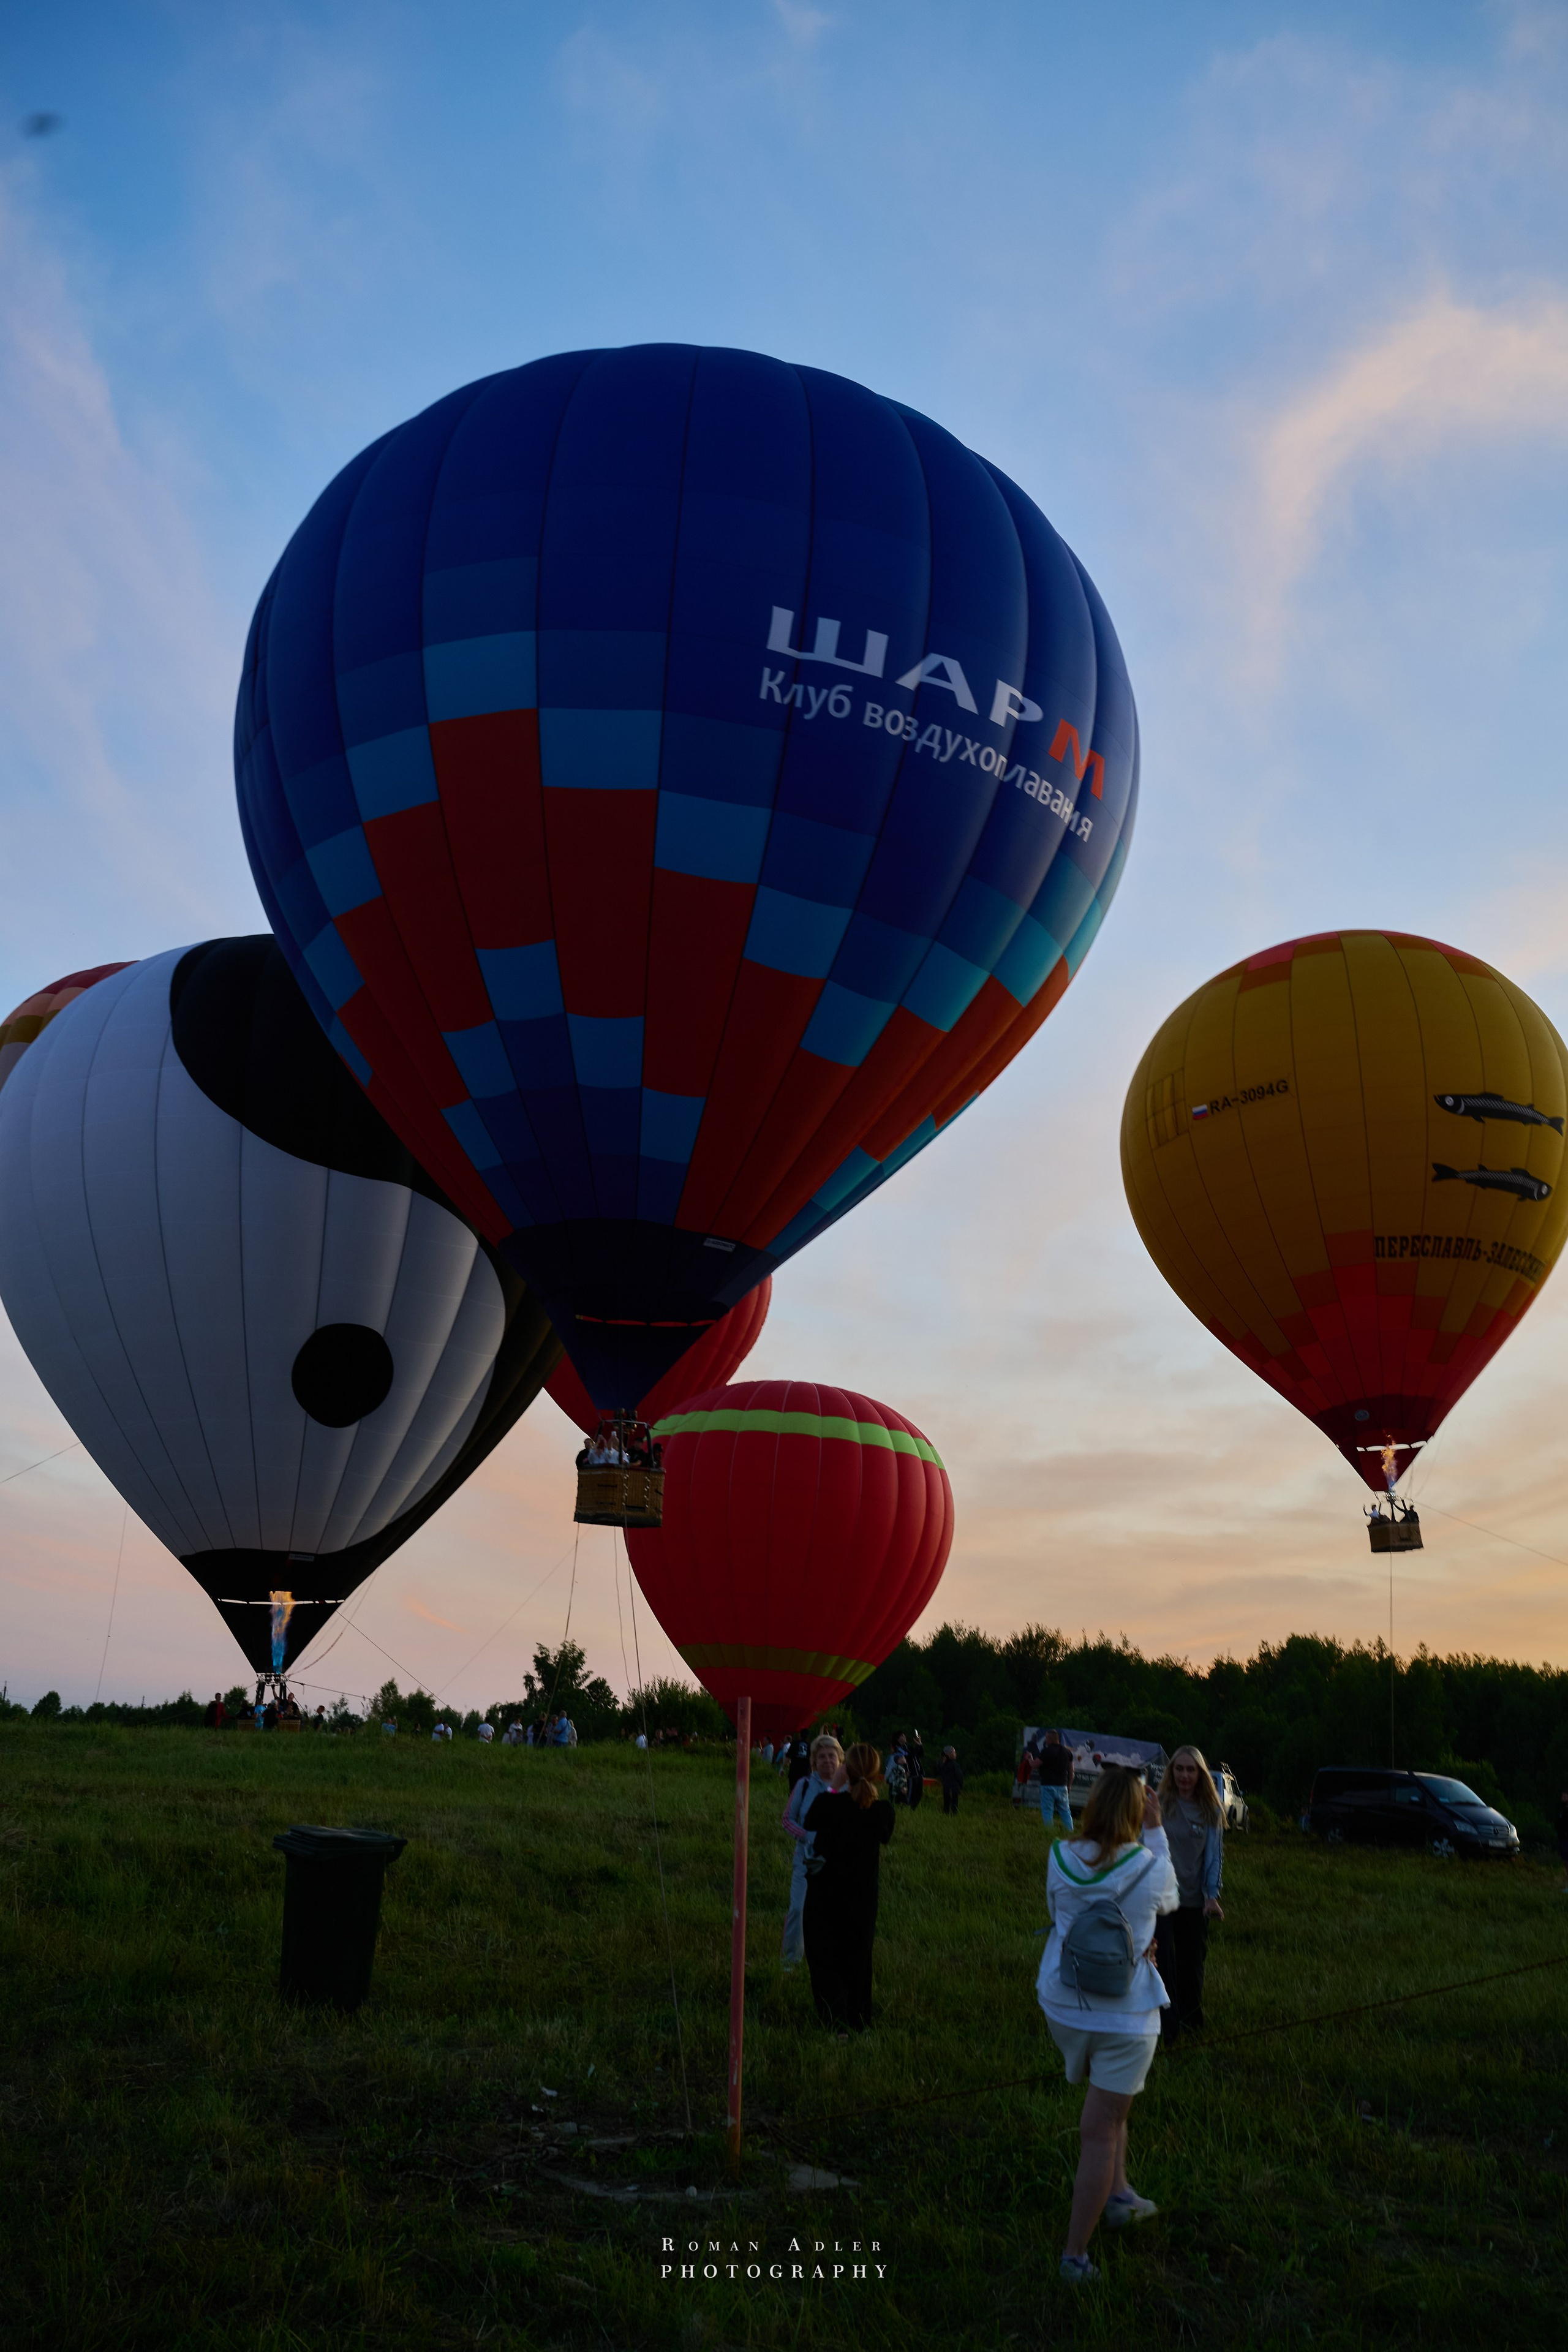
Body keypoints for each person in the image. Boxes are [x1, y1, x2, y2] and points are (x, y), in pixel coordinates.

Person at [1038, 1763, 1178, 2285]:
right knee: (1099, 2129)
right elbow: (1170, 1901)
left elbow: (1058, 1913)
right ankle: (1075, 2256)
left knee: (1112, 2110)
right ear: (1140, 1812)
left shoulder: (1058, 1855)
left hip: (1063, 2004)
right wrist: (1157, 1832)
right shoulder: (1149, 1863)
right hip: (1126, 2016)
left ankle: (1120, 2193)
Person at [802, 1743, 895, 2034]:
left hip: (825, 1897)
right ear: (877, 1773)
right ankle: (858, 2020)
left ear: (846, 1770)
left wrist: (834, 1787)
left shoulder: (831, 1805)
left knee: (824, 1957)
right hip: (863, 1900)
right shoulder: (882, 1812)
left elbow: (811, 1819)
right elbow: (883, 1833)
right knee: (858, 1959)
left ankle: (834, 2021)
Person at [1153, 1746, 1224, 2041]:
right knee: (1162, 1963)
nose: (1184, 1775)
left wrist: (1211, 1896)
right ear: (1171, 1773)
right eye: (1179, 1769)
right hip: (1160, 1900)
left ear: (1201, 1774)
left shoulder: (1210, 1810)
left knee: (1191, 1963)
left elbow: (1213, 1857)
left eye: (1191, 1770)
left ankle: (1191, 2023)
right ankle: (1165, 2026)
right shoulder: (1159, 1804)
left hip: (1194, 1901)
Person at [781, 1735, 845, 1970]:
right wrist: (809, 1836)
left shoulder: (851, 1787)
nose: (827, 1761)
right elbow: (787, 1819)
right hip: (806, 1861)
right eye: (822, 1757)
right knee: (798, 1909)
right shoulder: (804, 1785)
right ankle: (790, 1962)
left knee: (834, 1914)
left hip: (838, 1863)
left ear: (840, 1759)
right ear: (814, 1762)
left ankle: (831, 1961)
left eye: (832, 1756)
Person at [1038, 1729, 1075, 1833]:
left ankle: (1049, 1832)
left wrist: (1029, 1759)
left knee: (1047, 1811)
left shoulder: (1046, 1751)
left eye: (1046, 1738)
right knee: (1065, 1811)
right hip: (1062, 1786)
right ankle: (1070, 1832)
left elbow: (1035, 1765)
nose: (1046, 1740)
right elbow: (1072, 1772)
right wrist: (1069, 1785)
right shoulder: (1068, 1752)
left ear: (1050, 1739)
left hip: (1047, 1786)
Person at [940, 1745, 963, 1814]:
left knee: (946, 1805)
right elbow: (959, 1776)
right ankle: (953, 1817)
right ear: (949, 1755)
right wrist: (960, 1786)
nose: (955, 1754)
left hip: (946, 1788)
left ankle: (946, 1816)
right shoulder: (955, 1765)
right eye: (954, 1753)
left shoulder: (944, 1766)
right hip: (954, 1788)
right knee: (954, 1806)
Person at [907, 1730, 925, 1810]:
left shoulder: (915, 1749)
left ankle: (913, 1808)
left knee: (919, 1793)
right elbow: (912, 1754)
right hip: (912, 1774)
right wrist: (918, 1745)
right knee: (911, 1793)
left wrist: (920, 1744)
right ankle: (907, 1807)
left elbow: (921, 1754)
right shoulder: (906, 1748)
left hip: (919, 1774)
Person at [1558, 1789, 1568, 1891]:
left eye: (1565, 1797)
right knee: (1565, 1862)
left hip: (1566, 1839)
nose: (1563, 1799)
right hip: (1563, 1839)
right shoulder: (1562, 1810)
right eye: (1563, 1797)